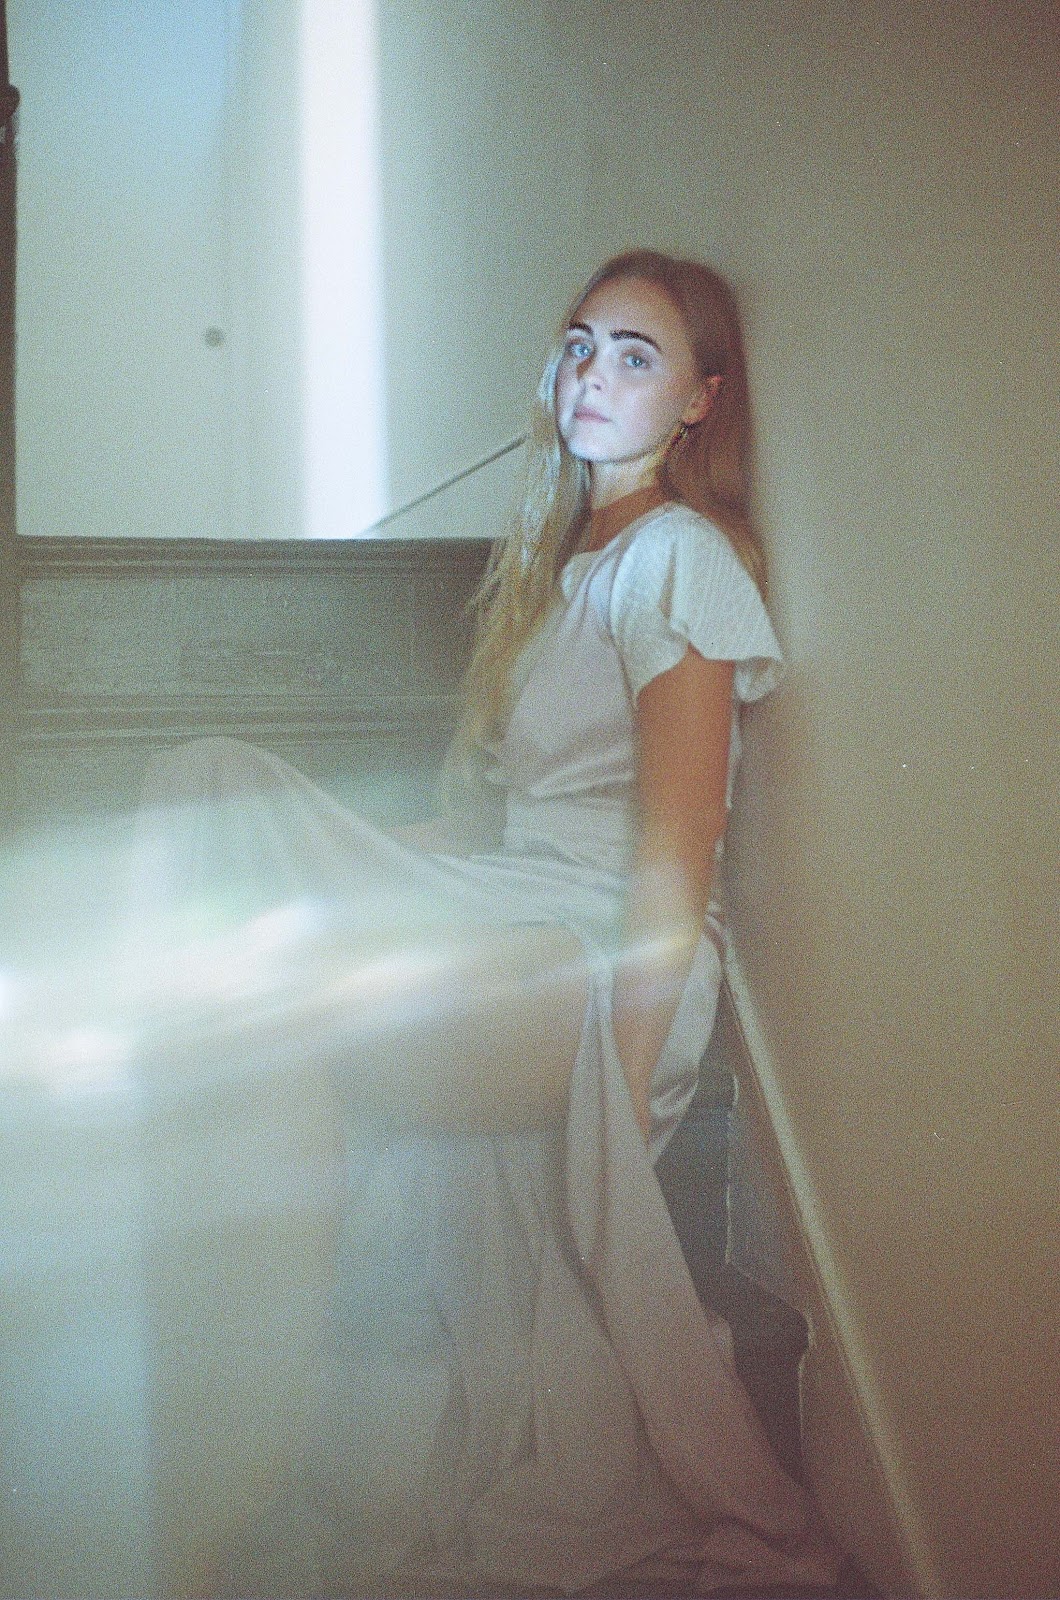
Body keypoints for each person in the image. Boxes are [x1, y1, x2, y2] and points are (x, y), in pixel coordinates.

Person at [131, 250, 842, 1596]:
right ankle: (229, 1495)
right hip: (499, 905)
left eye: (635, 356)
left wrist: (624, 1086)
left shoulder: (679, 559)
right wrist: (327, 852)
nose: (593, 374)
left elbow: (677, 848)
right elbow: (484, 831)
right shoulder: (551, 571)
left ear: (700, 399)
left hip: (592, 953)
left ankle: (213, 1515)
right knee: (227, 871)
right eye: (579, 345)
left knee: (221, 808)